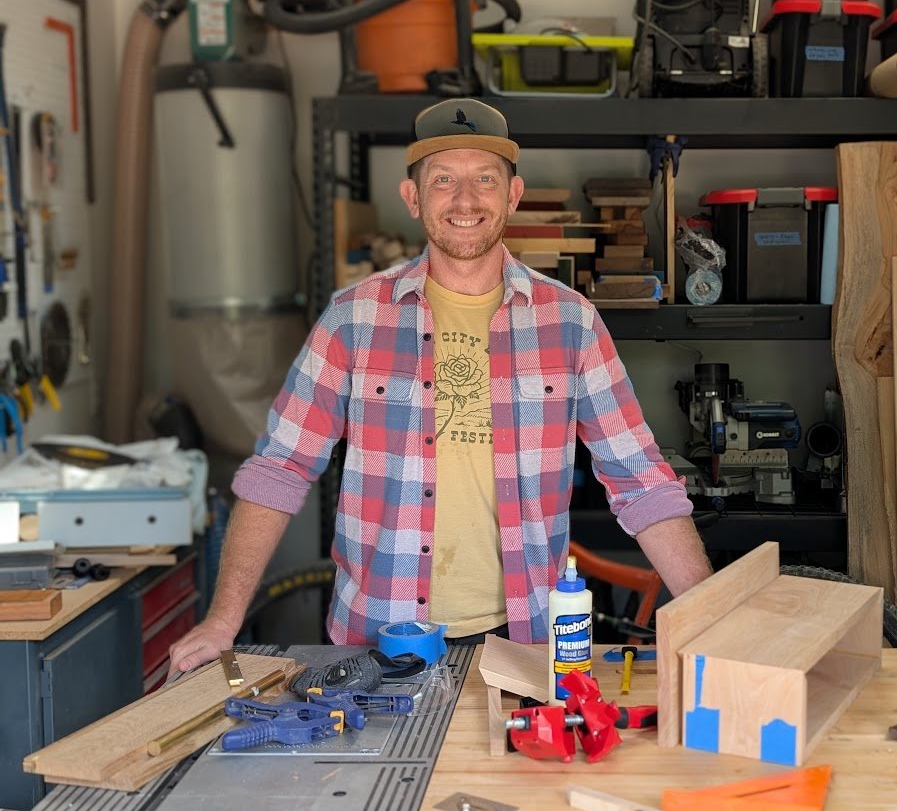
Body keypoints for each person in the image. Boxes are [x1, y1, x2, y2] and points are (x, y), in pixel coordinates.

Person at [168, 98, 712, 676]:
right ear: (413, 197)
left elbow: (639, 477)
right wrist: (222, 621)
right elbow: (280, 469)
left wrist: (711, 612)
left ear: (514, 194)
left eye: (485, 179)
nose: (465, 200)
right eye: (443, 180)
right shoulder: (353, 319)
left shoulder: (570, 321)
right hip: (378, 640)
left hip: (524, 640)